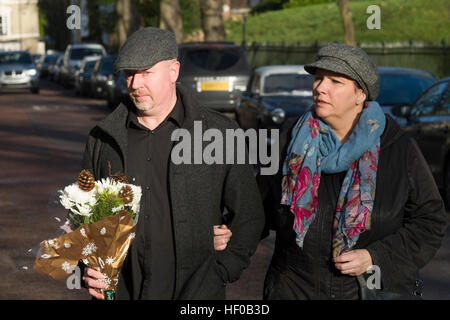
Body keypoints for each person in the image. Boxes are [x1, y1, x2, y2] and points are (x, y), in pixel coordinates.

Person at [81, 27, 263, 300]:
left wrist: (222, 270)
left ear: (173, 71)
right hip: (123, 292)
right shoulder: (102, 138)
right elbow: (83, 219)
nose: (135, 84)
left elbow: (249, 216)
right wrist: (87, 266)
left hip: (196, 293)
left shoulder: (221, 134)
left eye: (146, 73)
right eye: (130, 74)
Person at [256, 43, 447, 299]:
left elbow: (429, 221)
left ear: (360, 95)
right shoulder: (292, 142)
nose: (320, 87)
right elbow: (257, 210)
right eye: (319, 78)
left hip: (366, 291)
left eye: (335, 81)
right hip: (295, 288)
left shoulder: (397, 148)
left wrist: (375, 257)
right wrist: (227, 235)